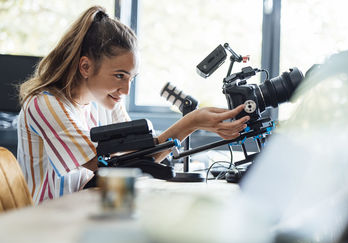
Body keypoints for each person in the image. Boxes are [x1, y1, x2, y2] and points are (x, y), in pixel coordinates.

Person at [17, 6, 249, 204]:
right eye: (119, 76)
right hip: (49, 226)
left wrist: (193, 123)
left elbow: (141, 158)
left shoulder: (105, 102)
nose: (126, 90)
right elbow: (113, 167)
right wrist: (191, 122)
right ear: (85, 67)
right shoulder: (44, 105)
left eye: (131, 78)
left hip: (87, 215)